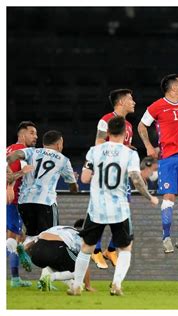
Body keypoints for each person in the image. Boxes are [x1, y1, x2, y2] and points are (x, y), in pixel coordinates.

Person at [68, 116, 159, 296]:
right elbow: (136, 179)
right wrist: (150, 197)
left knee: (87, 247)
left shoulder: (94, 151)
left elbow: (85, 178)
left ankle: (77, 285)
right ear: (125, 133)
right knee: (125, 248)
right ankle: (116, 285)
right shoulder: (130, 154)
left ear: (108, 133)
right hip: (119, 209)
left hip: (97, 209)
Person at [138, 74, 178, 255]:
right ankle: (166, 237)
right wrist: (149, 146)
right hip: (168, 158)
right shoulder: (157, 106)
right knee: (169, 196)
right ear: (173, 88)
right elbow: (142, 126)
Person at [7, 130, 79, 272]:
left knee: (32, 235)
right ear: (59, 144)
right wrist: (73, 182)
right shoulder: (63, 160)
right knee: (50, 239)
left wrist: (8, 168)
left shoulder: (32, 151)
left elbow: (13, 156)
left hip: (24, 202)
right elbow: (73, 188)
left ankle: (24, 246)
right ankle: (44, 275)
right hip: (45, 202)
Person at [91, 88, 136, 270]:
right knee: (103, 212)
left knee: (124, 212)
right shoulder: (105, 120)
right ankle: (95, 250)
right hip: (106, 176)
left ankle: (110, 249)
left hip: (121, 178)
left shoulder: (129, 126)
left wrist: (129, 149)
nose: (133, 102)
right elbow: (99, 144)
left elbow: (123, 146)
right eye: (131, 99)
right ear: (121, 102)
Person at [6, 121, 38, 287]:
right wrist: (17, 177)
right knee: (12, 239)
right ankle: (15, 279)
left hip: (13, 201)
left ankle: (15, 279)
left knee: (17, 238)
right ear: (22, 134)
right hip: (13, 201)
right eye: (32, 133)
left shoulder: (10, 149)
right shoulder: (19, 151)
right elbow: (7, 176)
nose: (35, 136)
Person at [26, 219, 94, 292]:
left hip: (36, 253)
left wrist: (27, 255)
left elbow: (27, 246)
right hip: (56, 248)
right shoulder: (80, 236)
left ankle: (46, 280)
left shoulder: (60, 228)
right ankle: (50, 277)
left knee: (55, 263)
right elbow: (84, 261)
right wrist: (88, 286)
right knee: (80, 268)